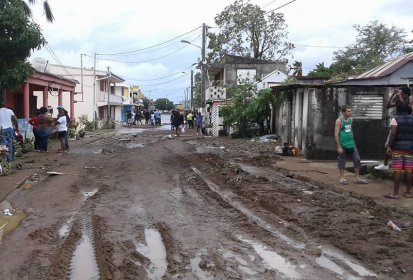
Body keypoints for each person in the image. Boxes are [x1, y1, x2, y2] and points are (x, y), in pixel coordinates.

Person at [375, 87, 412, 170]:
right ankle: (385, 164)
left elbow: (404, 107)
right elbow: (387, 106)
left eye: (402, 92)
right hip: (397, 122)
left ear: (406, 94)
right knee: (389, 143)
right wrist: (392, 95)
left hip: (406, 124)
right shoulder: (399, 100)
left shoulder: (409, 101)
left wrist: (399, 96)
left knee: (400, 144)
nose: (400, 94)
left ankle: (389, 164)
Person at [384, 98, 413, 199]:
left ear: (398, 109)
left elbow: (392, 134)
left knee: (397, 170)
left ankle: (395, 194)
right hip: (410, 149)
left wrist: (389, 146)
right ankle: (408, 193)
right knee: (409, 170)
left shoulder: (395, 119)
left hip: (397, 148)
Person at [334, 105, 368, 185]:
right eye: (348, 111)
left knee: (357, 159)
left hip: (351, 144)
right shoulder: (339, 121)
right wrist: (339, 146)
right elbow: (336, 134)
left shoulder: (351, 119)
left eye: (351, 111)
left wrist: (352, 140)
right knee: (342, 161)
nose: (350, 112)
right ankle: (342, 178)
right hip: (343, 144)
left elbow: (350, 130)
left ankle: (357, 178)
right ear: (343, 112)